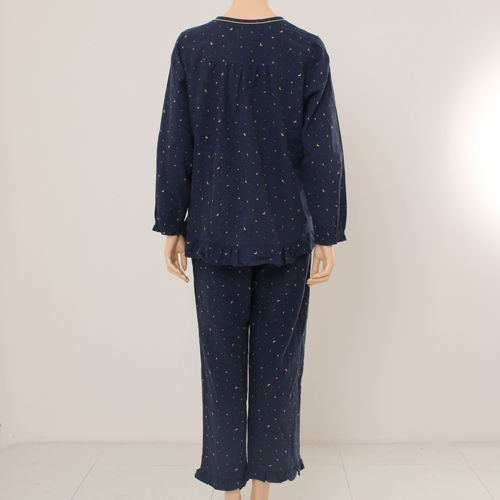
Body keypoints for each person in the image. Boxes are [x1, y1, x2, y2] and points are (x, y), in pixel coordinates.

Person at [152, 2, 347, 500]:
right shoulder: (304, 49)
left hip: (215, 231)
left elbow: (176, 140)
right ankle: (260, 490)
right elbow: (323, 148)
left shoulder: (193, 46)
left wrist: (173, 222)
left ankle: (231, 492)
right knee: (277, 368)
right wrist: (326, 232)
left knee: (221, 370)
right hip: (285, 233)